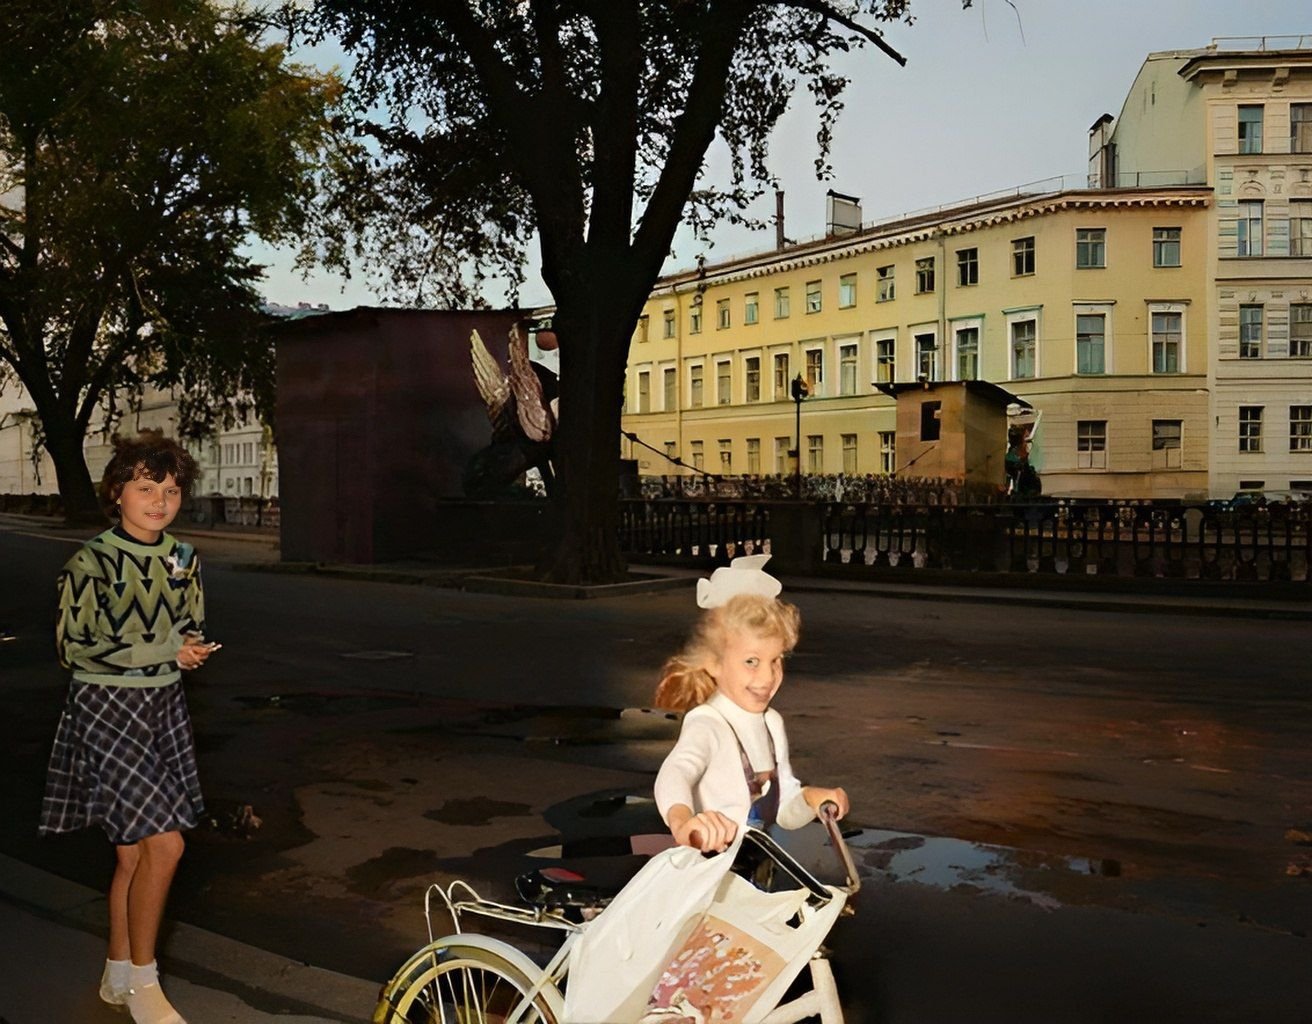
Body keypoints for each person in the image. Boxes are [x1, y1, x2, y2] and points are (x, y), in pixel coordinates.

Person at [39, 431, 218, 1024]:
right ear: (117, 492)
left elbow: (187, 624)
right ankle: (145, 983)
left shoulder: (184, 557)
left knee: (132, 857)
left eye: (170, 490)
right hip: (105, 708)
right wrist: (165, 649)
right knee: (165, 845)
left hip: (162, 709)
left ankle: (117, 977)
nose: (159, 501)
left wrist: (188, 648)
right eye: (146, 488)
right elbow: (77, 649)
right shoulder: (89, 562)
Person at [653, 555, 848, 852]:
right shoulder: (708, 723)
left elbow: (783, 811)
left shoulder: (771, 723)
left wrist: (810, 800)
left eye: (776, 661)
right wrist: (683, 821)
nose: (768, 676)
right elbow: (676, 772)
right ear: (714, 663)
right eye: (751, 662)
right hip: (710, 871)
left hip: (757, 865)